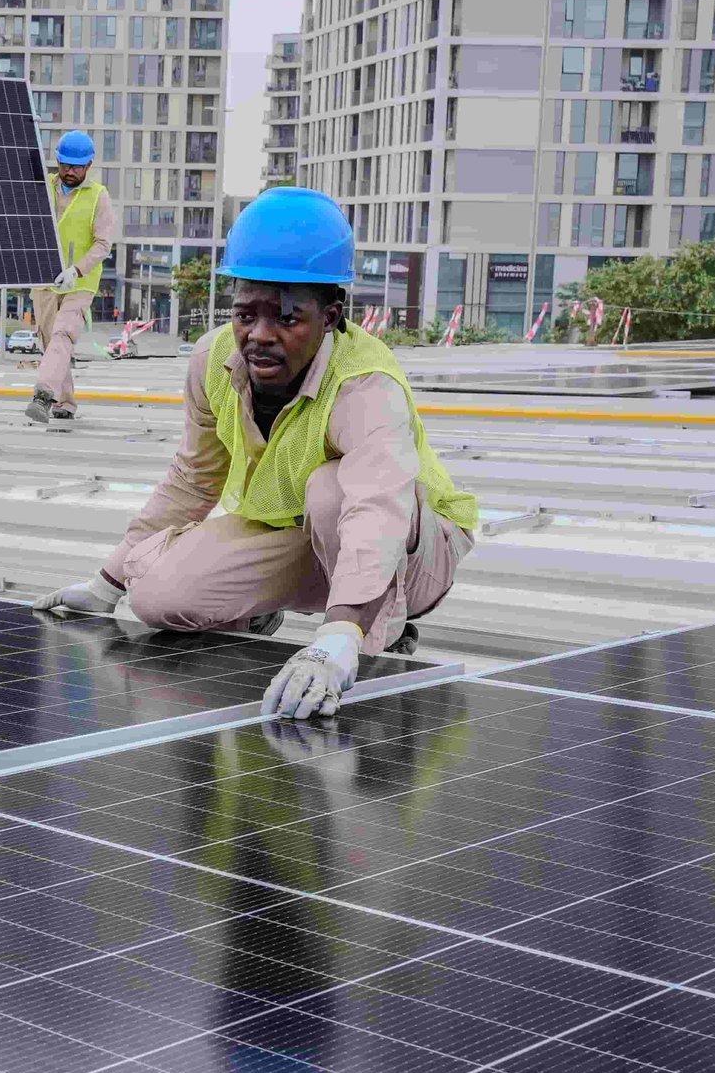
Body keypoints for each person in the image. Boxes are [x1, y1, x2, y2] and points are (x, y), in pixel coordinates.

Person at [32, 187, 478, 720]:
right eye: (246, 315)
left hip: (413, 549)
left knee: (332, 490)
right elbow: (193, 480)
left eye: (287, 319)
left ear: (332, 315)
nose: (259, 336)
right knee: (156, 598)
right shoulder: (213, 360)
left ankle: (370, 636)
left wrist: (337, 634)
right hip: (298, 533)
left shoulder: (365, 385)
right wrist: (106, 585)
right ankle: (280, 614)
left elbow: (376, 509)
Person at [26, 130, 116, 425]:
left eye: (77, 167)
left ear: (89, 165)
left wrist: (76, 269)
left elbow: (103, 244)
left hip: (79, 282)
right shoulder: (43, 187)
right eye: (65, 165)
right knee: (50, 340)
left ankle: (43, 395)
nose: (70, 172)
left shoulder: (98, 196)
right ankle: (65, 401)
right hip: (44, 278)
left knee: (64, 334)